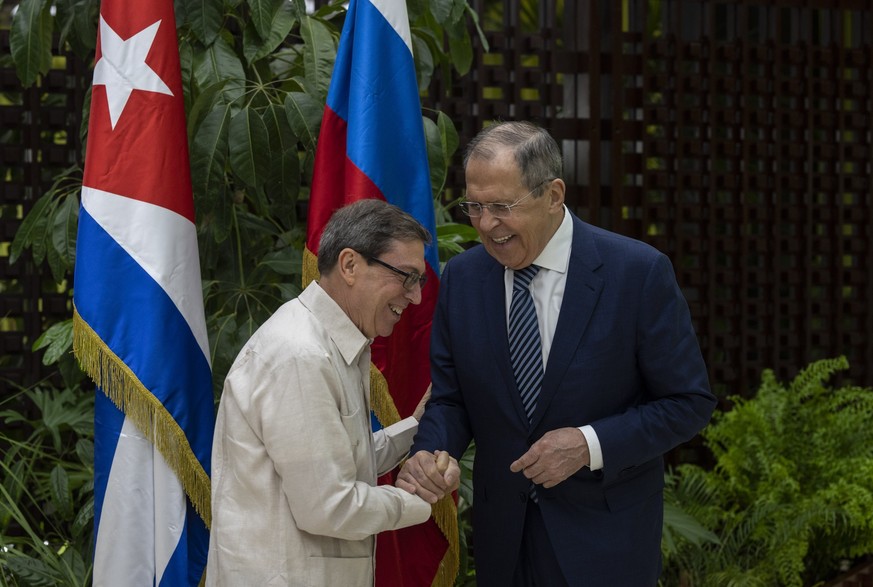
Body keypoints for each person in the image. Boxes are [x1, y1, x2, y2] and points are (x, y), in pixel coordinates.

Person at [396, 121, 717, 586]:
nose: (486, 225)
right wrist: (431, 453)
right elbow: (453, 398)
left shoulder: (636, 273)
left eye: (502, 207)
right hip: (504, 541)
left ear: (553, 194)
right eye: (475, 207)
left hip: (606, 545)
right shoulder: (464, 279)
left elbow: (688, 403)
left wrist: (588, 445)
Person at [207, 199, 453, 586]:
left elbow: (335, 461)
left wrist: (414, 429)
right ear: (350, 265)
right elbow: (329, 505)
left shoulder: (334, 344)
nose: (416, 296)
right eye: (406, 277)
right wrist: (419, 501)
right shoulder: (301, 355)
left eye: (419, 280)